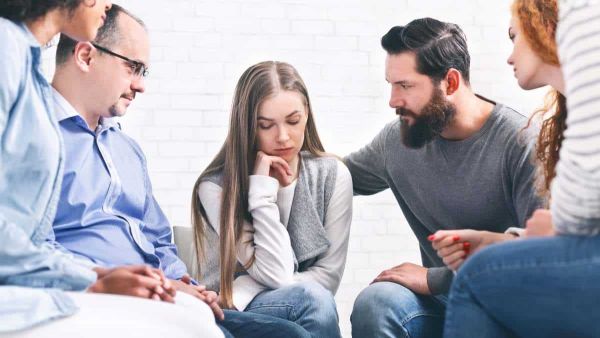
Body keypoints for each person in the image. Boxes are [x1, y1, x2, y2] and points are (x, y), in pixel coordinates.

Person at [49, 5, 308, 338]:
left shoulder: (126, 150)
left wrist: (186, 284)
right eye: (133, 68)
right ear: (86, 57)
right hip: (108, 299)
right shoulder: (34, 137)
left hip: (164, 297)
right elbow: (28, 246)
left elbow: (158, 239)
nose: (140, 86)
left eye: (145, 73)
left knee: (292, 335)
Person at [345, 18, 542, 338]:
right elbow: (337, 175)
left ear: (450, 83)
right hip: (445, 303)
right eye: (391, 85)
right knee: (378, 303)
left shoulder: (521, 143)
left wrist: (434, 279)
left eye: (405, 86)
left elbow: (537, 258)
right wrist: (268, 157)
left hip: (508, 307)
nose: (393, 100)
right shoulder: (395, 142)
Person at [0, 0, 180, 334]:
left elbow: (33, 237)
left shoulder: (28, 67)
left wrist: (99, 278)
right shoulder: (7, 49)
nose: (108, 5)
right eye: (132, 68)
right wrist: (92, 280)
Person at [443, 0, 600, 336]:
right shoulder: (566, 111)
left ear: (542, 21)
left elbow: (577, 211)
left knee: (477, 277)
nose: (510, 56)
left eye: (514, 36)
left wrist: (557, 226)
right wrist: (497, 241)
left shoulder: (584, 15)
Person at [191, 61, 353, 337]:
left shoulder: (333, 175)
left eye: (293, 121)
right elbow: (277, 273)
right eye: (266, 126)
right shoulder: (215, 187)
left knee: (315, 299)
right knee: (313, 302)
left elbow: (328, 277)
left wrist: (246, 285)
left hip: (268, 297)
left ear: (307, 115)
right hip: (229, 307)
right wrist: (262, 195)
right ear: (247, 127)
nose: (283, 137)